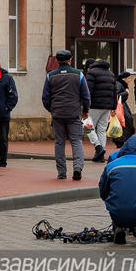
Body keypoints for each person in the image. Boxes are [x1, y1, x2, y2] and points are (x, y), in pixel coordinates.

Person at [41, 49, 90, 180]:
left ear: (57, 60)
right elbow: (85, 96)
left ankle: (61, 172)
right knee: (76, 141)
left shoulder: (50, 76)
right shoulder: (78, 74)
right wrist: (85, 110)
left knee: (59, 143)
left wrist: (52, 109)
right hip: (74, 113)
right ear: (70, 59)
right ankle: (77, 167)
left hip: (57, 114)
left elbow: (45, 97)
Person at [84, 58, 118, 163]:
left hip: (94, 105)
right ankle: (101, 154)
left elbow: (88, 91)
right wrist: (114, 106)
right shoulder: (111, 74)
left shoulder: (91, 73)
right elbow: (114, 91)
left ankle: (98, 147)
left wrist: (85, 106)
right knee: (102, 129)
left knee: (87, 126)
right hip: (107, 106)